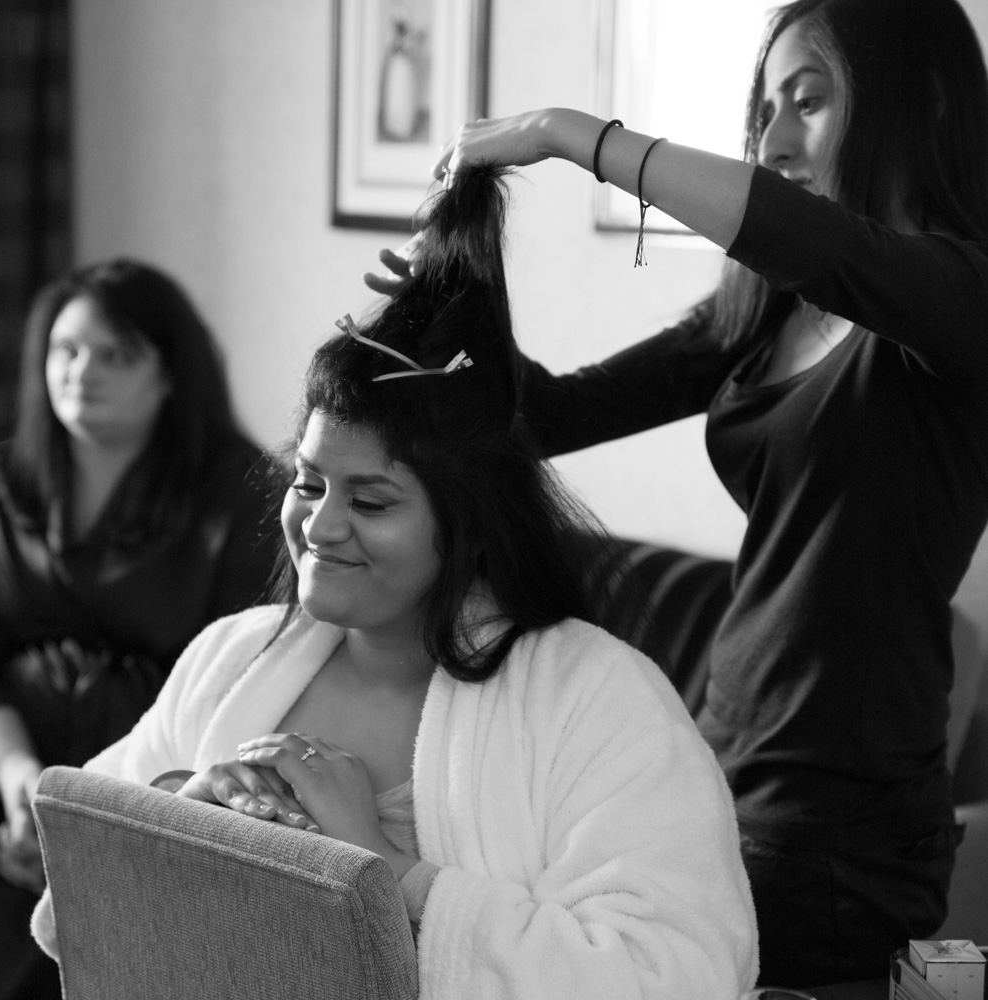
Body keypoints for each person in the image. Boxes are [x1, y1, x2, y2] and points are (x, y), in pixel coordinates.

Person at [365, 0, 988, 988]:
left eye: (809, 101)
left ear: (927, 100)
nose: (773, 140)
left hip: (840, 824)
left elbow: (814, 239)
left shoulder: (962, 298)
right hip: (711, 767)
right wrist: (453, 302)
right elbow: (551, 416)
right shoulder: (773, 309)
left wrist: (566, 132)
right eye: (764, 110)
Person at [31, 169, 758, 1000]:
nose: (320, 526)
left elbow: (679, 972)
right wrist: (184, 815)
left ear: (469, 523)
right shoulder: (230, 659)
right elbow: (73, 895)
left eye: (371, 501)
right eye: (308, 484)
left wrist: (383, 873)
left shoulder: (596, 700)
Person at [0, 258, 278, 1000]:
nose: (82, 373)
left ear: (170, 375)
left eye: (115, 355)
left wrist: (88, 807)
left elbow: (247, 675)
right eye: (66, 350)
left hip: (157, 781)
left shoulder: (240, 499)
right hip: (13, 756)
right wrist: (18, 781)